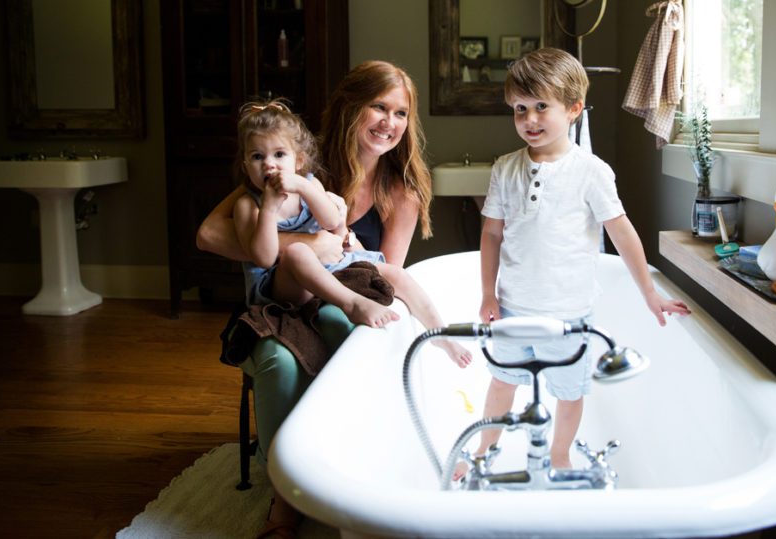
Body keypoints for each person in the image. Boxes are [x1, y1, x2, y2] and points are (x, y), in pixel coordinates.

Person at [196, 61, 465, 538]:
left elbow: (385, 272)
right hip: (282, 298)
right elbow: (209, 235)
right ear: (350, 108)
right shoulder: (296, 162)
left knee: (356, 329)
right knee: (283, 357)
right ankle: (287, 495)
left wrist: (331, 253)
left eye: (400, 113)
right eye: (377, 107)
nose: (389, 122)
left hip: (347, 296)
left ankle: (392, 454)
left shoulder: (398, 192)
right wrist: (311, 248)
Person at [456, 48, 691, 480]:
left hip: (569, 310)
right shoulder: (506, 168)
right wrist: (488, 293)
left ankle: (559, 457)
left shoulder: (591, 171)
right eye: (520, 109)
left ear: (574, 108)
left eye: (541, 106)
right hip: (513, 305)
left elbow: (622, 233)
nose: (529, 119)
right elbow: (491, 234)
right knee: (502, 381)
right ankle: (484, 450)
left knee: (568, 391)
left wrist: (650, 294)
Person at [232, 98, 471, 366]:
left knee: (396, 273)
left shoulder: (309, 185)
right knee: (296, 252)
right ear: (245, 166)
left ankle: (440, 333)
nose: (269, 164)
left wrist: (305, 188)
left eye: (279, 154)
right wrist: (268, 209)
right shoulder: (247, 205)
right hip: (280, 286)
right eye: (257, 156)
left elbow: (333, 221)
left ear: (298, 161)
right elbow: (264, 258)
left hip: (327, 270)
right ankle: (352, 304)